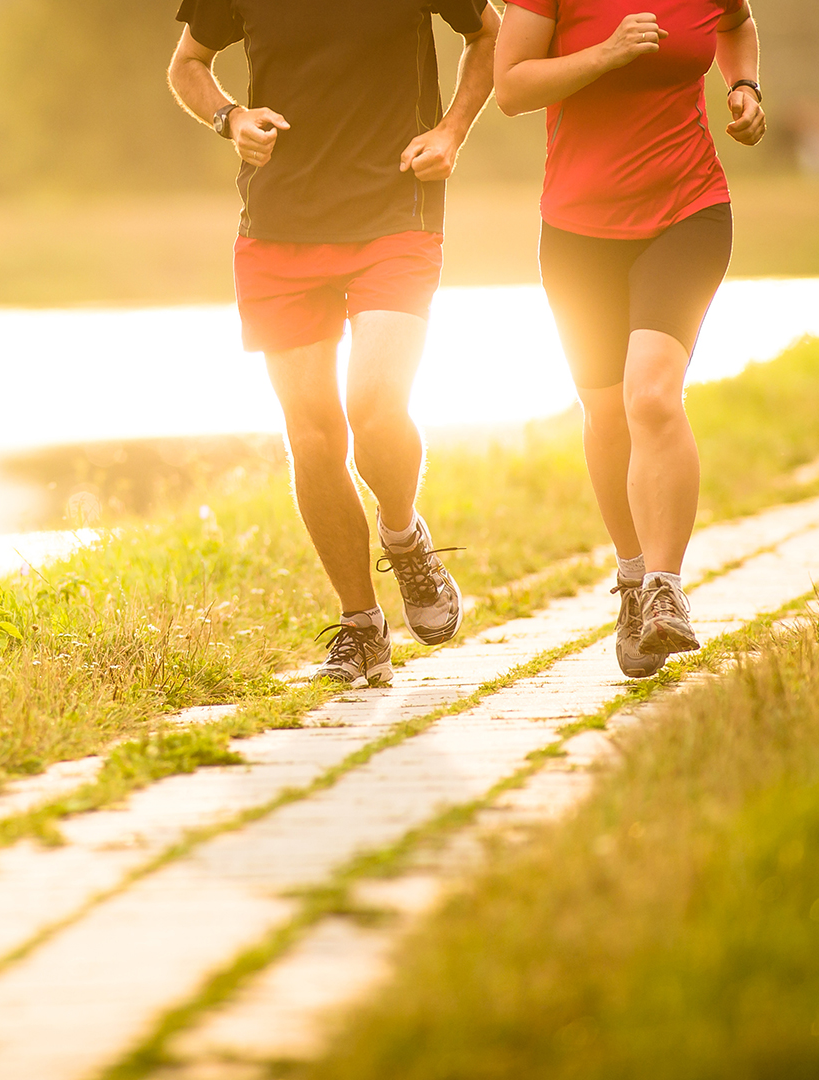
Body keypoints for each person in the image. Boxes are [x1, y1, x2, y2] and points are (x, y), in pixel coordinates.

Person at [168, 0, 499, 687]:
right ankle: (362, 627)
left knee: (374, 407)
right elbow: (188, 65)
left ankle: (405, 537)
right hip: (278, 222)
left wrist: (451, 130)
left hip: (394, 210)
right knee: (314, 436)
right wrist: (231, 118)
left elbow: (487, 33)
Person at [494, 1, 765, 677]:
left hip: (688, 210)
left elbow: (736, 25)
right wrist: (606, 53)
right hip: (579, 232)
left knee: (651, 396)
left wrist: (744, 86)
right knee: (609, 413)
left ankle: (665, 590)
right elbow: (511, 88)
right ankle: (633, 577)